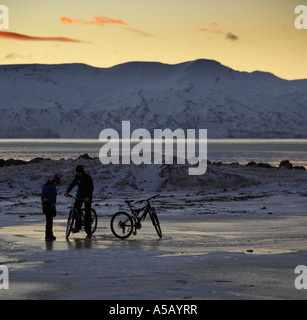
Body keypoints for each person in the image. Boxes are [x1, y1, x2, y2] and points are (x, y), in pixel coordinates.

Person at [64, 165, 94, 237]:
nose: (78, 174)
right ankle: (77, 227)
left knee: (87, 212)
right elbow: (72, 184)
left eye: (79, 172)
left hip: (87, 196)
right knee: (76, 210)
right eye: (77, 173)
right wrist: (67, 191)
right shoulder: (77, 177)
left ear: (82, 172)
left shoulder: (87, 177)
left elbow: (91, 188)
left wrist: (87, 196)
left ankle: (88, 230)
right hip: (79, 195)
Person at [41, 176, 61, 241]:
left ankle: (48, 235)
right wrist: (53, 206)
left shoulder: (44, 186)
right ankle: (49, 235)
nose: (57, 185)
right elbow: (52, 198)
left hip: (45, 204)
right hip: (50, 205)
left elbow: (42, 196)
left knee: (48, 221)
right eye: (57, 184)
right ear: (55, 182)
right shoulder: (52, 188)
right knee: (50, 221)